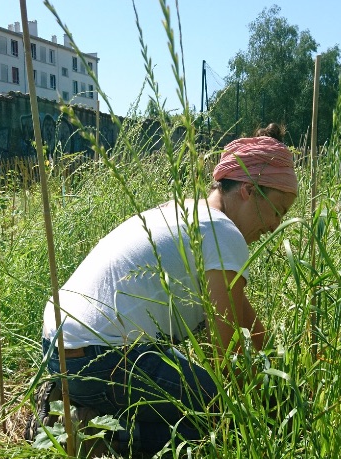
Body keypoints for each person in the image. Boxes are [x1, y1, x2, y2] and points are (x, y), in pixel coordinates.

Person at [37, 124, 297, 453]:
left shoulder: (184, 212)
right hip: (102, 357)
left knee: (185, 375)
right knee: (215, 415)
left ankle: (80, 407)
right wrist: (255, 414)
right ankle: (93, 436)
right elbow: (225, 351)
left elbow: (247, 326)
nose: (275, 226)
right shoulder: (224, 232)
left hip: (56, 350)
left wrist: (285, 386)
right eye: (278, 210)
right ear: (248, 189)